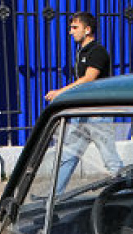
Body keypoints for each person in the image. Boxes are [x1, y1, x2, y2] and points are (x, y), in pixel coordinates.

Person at [45, 11, 122, 193]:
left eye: (75, 27)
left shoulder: (98, 51)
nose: (71, 32)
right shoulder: (81, 52)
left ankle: (128, 192)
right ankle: (53, 198)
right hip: (82, 115)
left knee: (111, 160)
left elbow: (88, 79)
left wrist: (60, 92)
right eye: (71, 28)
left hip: (99, 116)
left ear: (87, 30)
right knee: (67, 156)